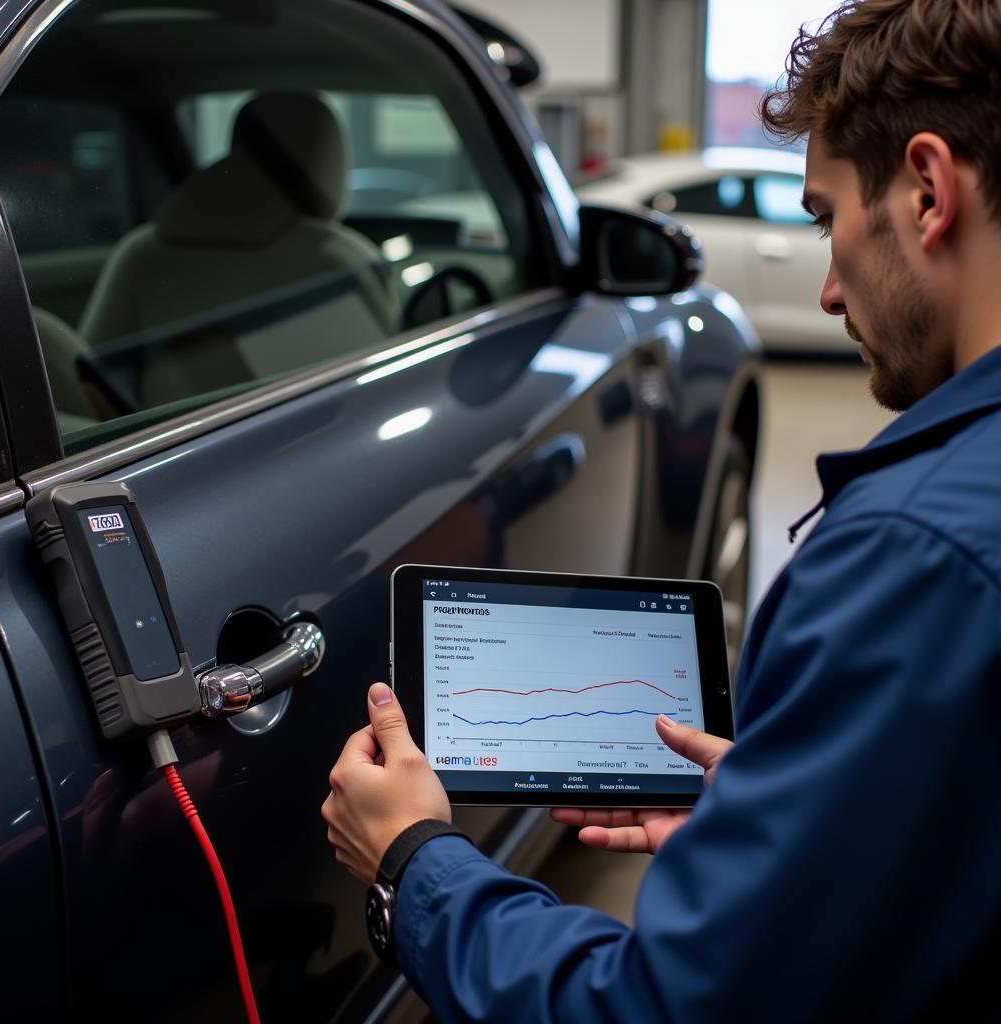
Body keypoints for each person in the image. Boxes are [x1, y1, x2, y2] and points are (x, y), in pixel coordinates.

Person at [323, 1, 1001, 1018]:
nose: (826, 288)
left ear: (927, 189)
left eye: (826, 218)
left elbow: (659, 1007)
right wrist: (799, 814)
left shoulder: (912, 553)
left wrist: (414, 864)